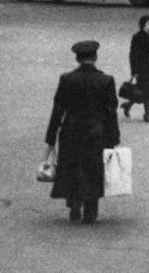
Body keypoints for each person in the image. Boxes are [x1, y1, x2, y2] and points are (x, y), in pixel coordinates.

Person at [44, 40, 121, 223]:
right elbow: (111, 112)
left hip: (70, 130)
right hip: (95, 131)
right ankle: (90, 211)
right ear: (95, 57)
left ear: (78, 58)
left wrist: (50, 137)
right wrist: (114, 137)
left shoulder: (67, 79)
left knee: (72, 166)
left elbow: (58, 109)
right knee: (92, 168)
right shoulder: (106, 80)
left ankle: (74, 203)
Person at [122, 14, 149, 122]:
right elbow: (133, 55)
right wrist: (134, 70)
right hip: (141, 68)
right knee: (147, 91)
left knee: (141, 90)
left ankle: (128, 105)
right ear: (143, 25)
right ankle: (147, 114)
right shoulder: (137, 37)